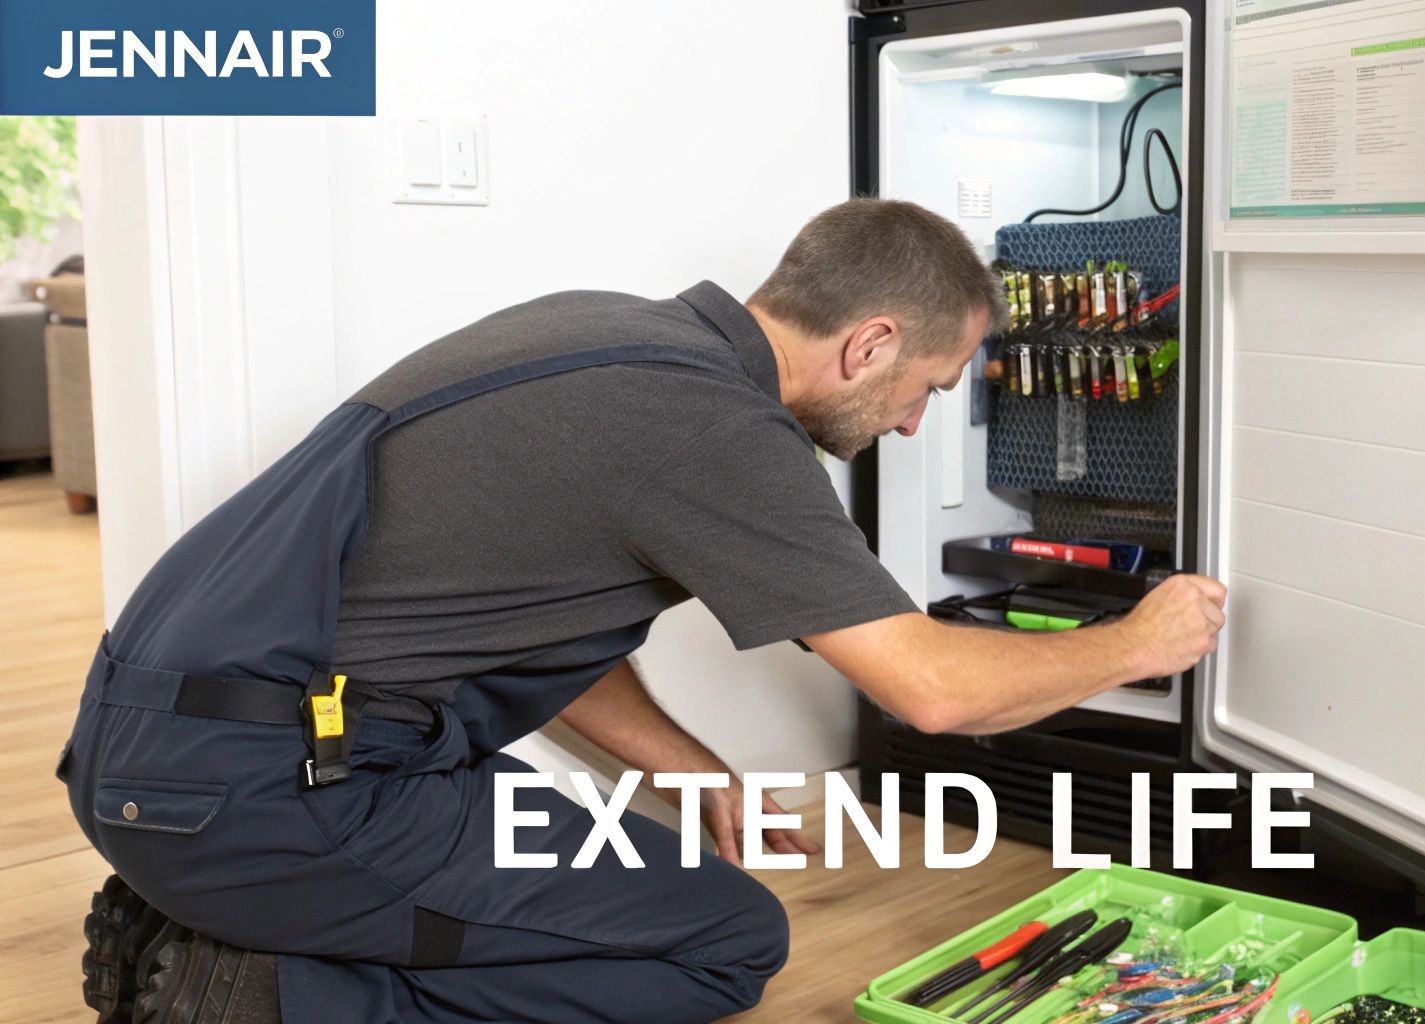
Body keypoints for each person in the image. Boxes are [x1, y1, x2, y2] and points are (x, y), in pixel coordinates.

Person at [61, 198, 1228, 1024]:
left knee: (610, 874)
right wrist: (1143, 636)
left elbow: (536, 639)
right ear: (869, 342)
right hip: (266, 791)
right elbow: (932, 689)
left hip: (174, 749)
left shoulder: (606, 332)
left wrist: (694, 773)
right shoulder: (717, 431)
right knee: (722, 942)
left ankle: (215, 921)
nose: (916, 424)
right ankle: (258, 993)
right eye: (923, 388)